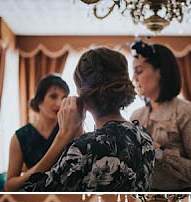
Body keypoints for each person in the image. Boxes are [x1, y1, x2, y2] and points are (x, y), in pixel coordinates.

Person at [14, 47, 155, 191]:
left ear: (82, 97)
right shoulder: (145, 138)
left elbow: (27, 193)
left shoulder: (84, 148)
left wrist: (63, 136)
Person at [130, 41, 191, 191]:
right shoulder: (136, 115)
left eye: (139, 71)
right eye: (133, 72)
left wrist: (159, 153)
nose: (134, 78)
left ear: (160, 72)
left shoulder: (186, 112)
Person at [6, 74, 69, 191]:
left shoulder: (69, 131)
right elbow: (9, 186)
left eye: (63, 98)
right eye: (53, 96)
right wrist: (38, 169)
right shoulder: (20, 137)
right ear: (39, 100)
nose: (59, 104)